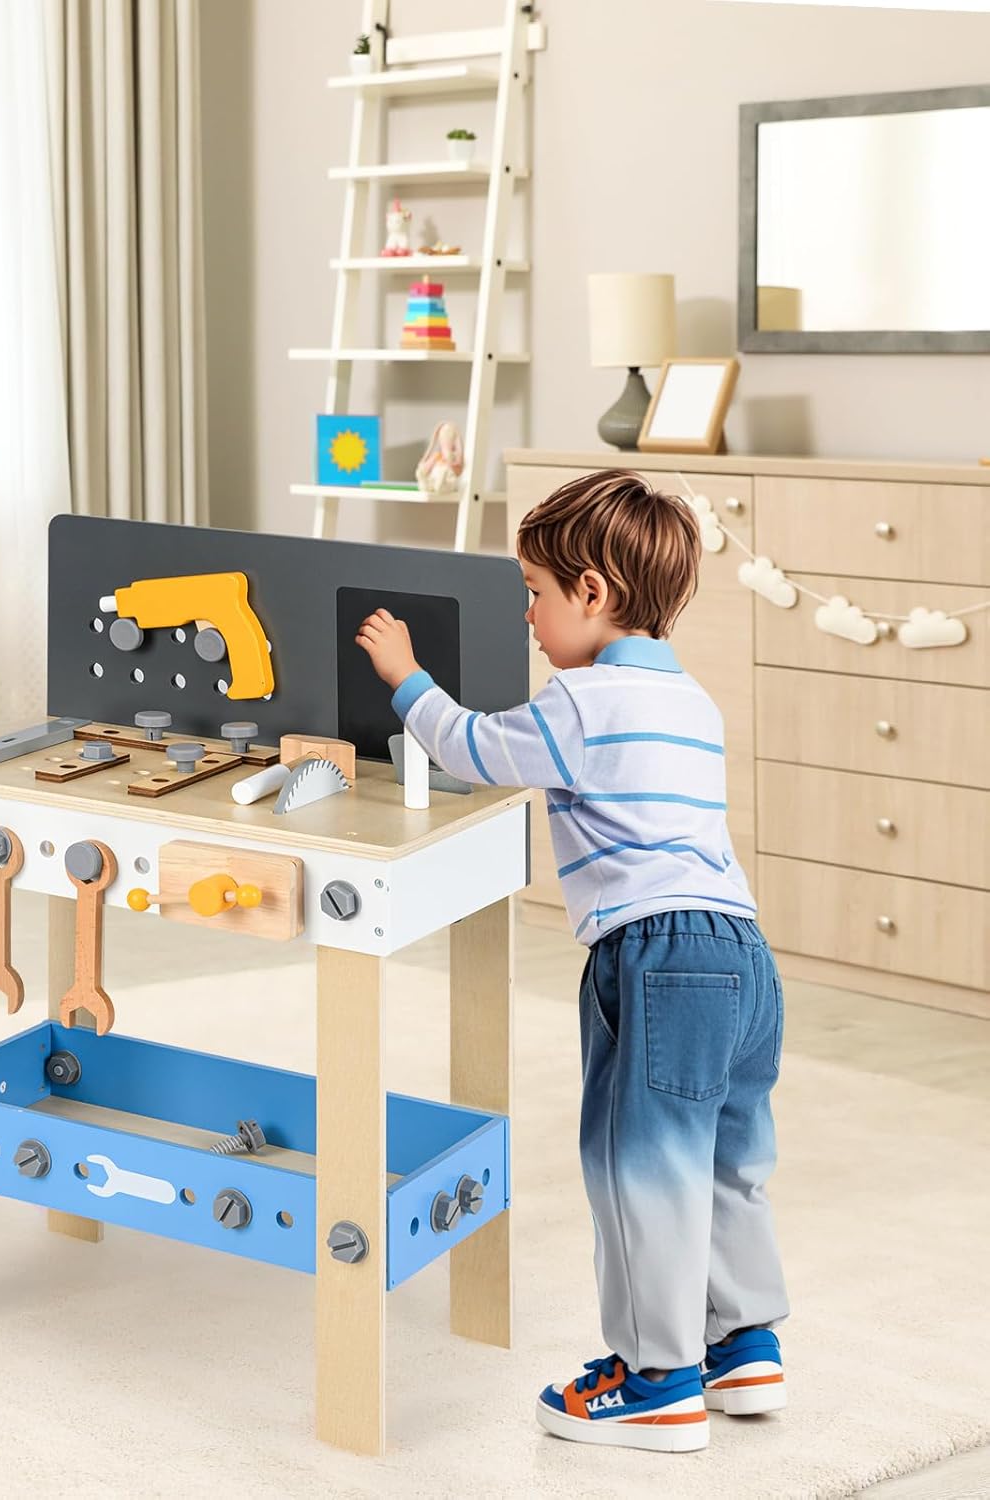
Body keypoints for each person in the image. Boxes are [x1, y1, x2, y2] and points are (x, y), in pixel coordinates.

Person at [356, 469, 788, 1454]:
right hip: (743, 954)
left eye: (535, 595)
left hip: (657, 956)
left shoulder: (583, 702)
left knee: (639, 1166)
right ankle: (744, 1342)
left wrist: (406, 677)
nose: (528, 618)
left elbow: (474, 748)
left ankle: (657, 1379)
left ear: (592, 592)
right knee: (729, 1158)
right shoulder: (694, 702)